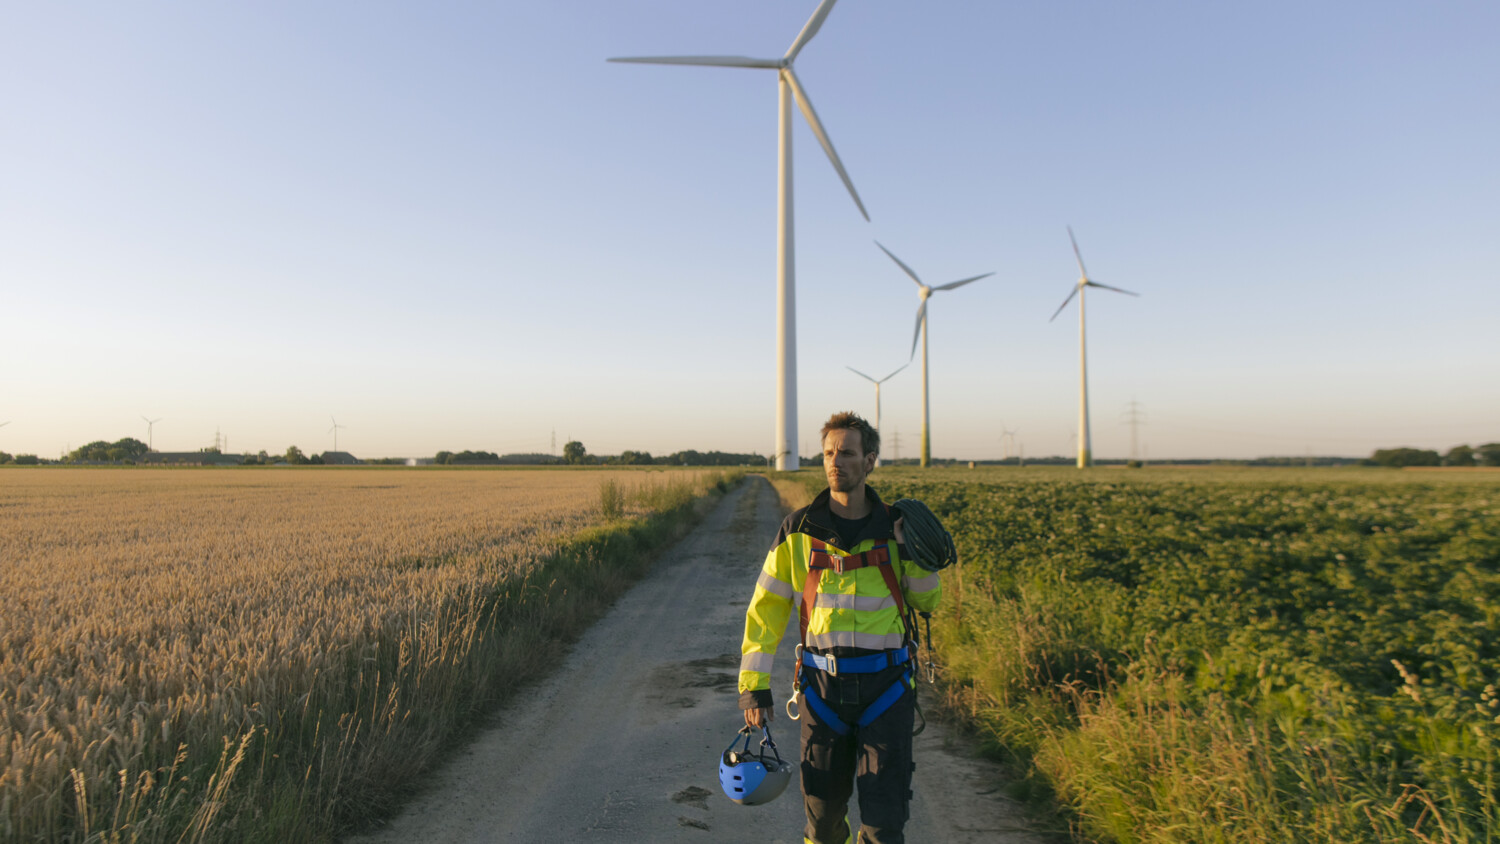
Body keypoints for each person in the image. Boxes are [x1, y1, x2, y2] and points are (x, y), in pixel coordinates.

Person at [738, 411, 942, 844]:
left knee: (885, 824)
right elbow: (766, 610)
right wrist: (753, 686)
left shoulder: (896, 528)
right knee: (823, 821)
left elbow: (928, 600)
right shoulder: (798, 531)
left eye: (847, 453)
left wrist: (912, 552)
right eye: (829, 452)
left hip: (887, 690)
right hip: (822, 692)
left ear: (869, 461)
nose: (836, 461)